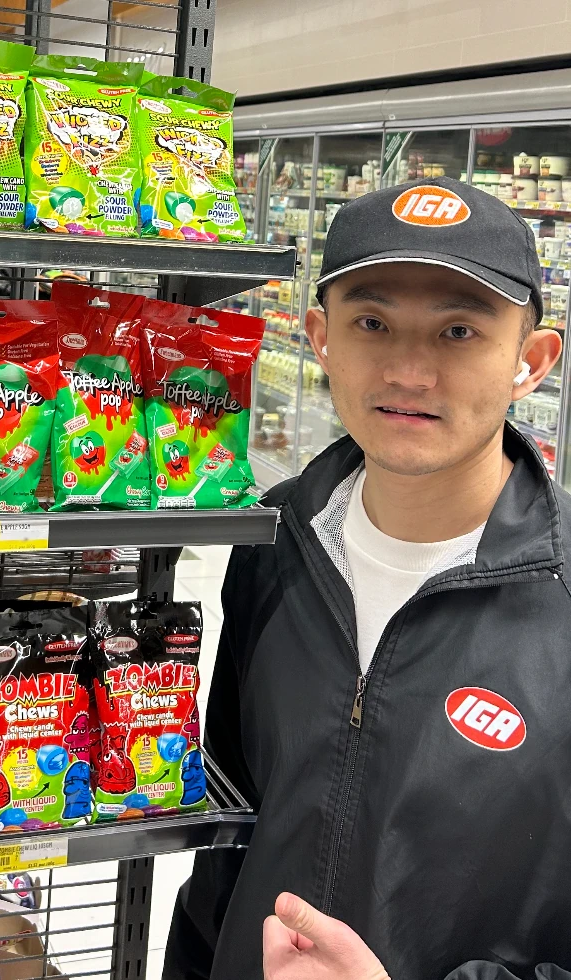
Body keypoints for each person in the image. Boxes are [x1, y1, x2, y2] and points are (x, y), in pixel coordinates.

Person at [162, 176, 571, 980]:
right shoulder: (269, 540)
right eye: (373, 323)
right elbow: (232, 840)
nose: (409, 372)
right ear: (320, 336)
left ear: (532, 361)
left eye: (458, 331)